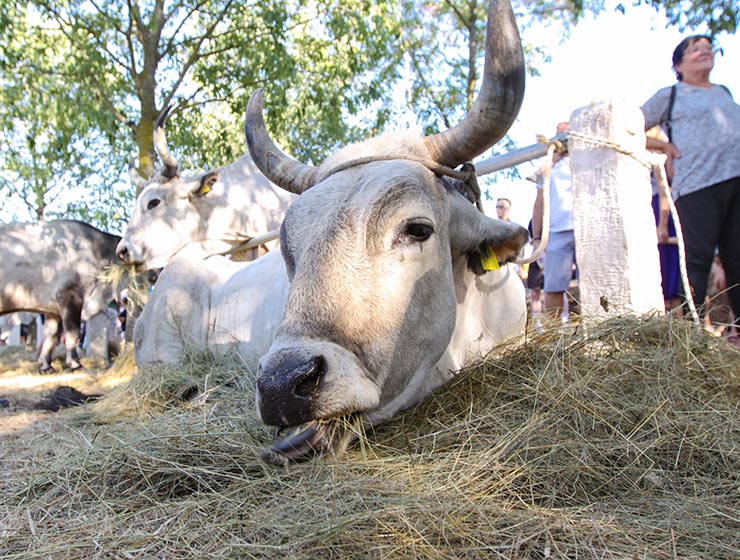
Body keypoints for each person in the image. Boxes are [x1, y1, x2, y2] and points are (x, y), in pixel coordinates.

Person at [641, 35, 740, 342]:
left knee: (737, 260)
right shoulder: (669, 95)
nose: (704, 51)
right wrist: (664, 145)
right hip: (697, 188)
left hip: (737, 184)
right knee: (695, 262)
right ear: (678, 65)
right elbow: (627, 127)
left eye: (707, 47)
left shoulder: (724, 92)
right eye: (694, 49)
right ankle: (690, 342)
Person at [531, 121, 579, 323]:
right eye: (559, 136)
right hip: (556, 232)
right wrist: (535, 237)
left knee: (594, 283)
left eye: (566, 135)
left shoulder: (586, 160)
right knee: (553, 286)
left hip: (586, 230)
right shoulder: (546, 167)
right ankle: (553, 336)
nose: (562, 140)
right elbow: (539, 203)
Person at [646, 126, 682, 313]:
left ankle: (677, 325)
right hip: (650, 212)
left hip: (660, 215)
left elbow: (663, 192)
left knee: (670, 277)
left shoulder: (658, 160)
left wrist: (662, 224)